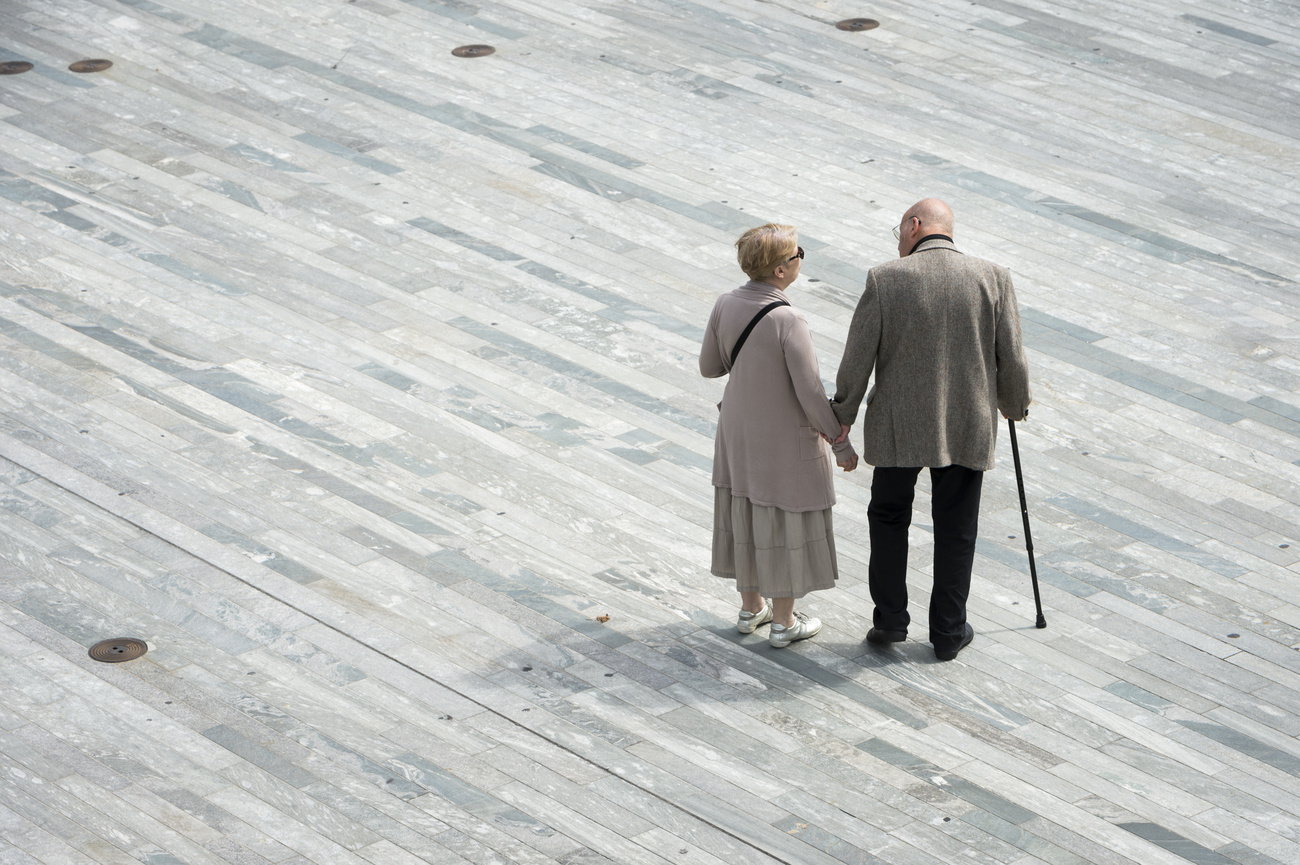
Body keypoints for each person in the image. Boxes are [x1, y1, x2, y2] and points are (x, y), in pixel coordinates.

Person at [831, 199, 1030, 661]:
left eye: (898, 230)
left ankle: (891, 622)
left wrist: (843, 412)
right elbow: (1013, 356)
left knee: (888, 518)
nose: (898, 241)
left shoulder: (885, 278)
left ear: (914, 226)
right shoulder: (993, 276)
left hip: (899, 425)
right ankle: (947, 632)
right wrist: (1014, 405)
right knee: (957, 528)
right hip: (967, 421)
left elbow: (857, 356)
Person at [701, 223, 858, 648]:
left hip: (737, 428)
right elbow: (810, 392)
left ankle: (751, 609)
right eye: (797, 254)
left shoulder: (724, 303)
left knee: (744, 506)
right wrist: (839, 443)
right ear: (780, 270)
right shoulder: (789, 318)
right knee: (783, 516)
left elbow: (710, 367)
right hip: (783, 437)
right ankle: (785, 623)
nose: (800, 260)